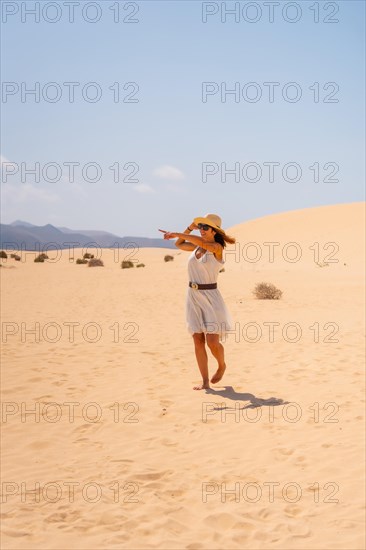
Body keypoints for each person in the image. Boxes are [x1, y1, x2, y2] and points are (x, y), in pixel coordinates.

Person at [159, 213, 236, 391]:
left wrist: (179, 233)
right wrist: (188, 228)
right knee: (197, 340)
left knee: (212, 342)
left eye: (205, 227)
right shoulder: (195, 248)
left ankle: (222, 365)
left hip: (211, 297)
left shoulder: (216, 247)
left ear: (214, 231)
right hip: (193, 296)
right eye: (200, 226)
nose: (201, 230)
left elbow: (198, 242)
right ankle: (205, 381)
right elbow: (178, 245)